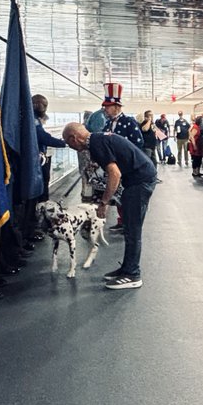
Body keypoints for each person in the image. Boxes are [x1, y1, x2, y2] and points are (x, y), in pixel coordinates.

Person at [62, 121, 156, 290]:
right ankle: (127, 268)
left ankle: (133, 274)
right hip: (138, 179)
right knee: (129, 227)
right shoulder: (98, 139)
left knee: (133, 229)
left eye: (69, 144)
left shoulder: (97, 144)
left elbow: (115, 173)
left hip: (140, 181)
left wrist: (104, 202)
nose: (71, 147)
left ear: (74, 138)